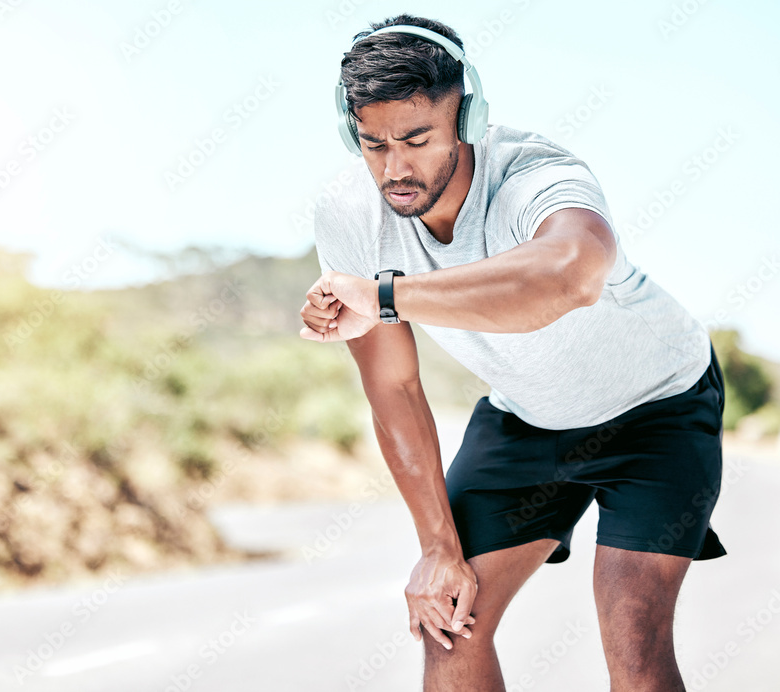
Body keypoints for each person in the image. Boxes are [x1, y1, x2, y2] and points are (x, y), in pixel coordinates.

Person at [299, 13, 726, 692]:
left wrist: (385, 295)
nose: (396, 169)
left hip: (659, 406)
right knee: (450, 623)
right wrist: (437, 548)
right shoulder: (349, 213)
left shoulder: (536, 175)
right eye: (374, 144)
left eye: (417, 139)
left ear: (468, 120)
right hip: (527, 418)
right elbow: (395, 388)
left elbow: (567, 278)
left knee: (635, 647)